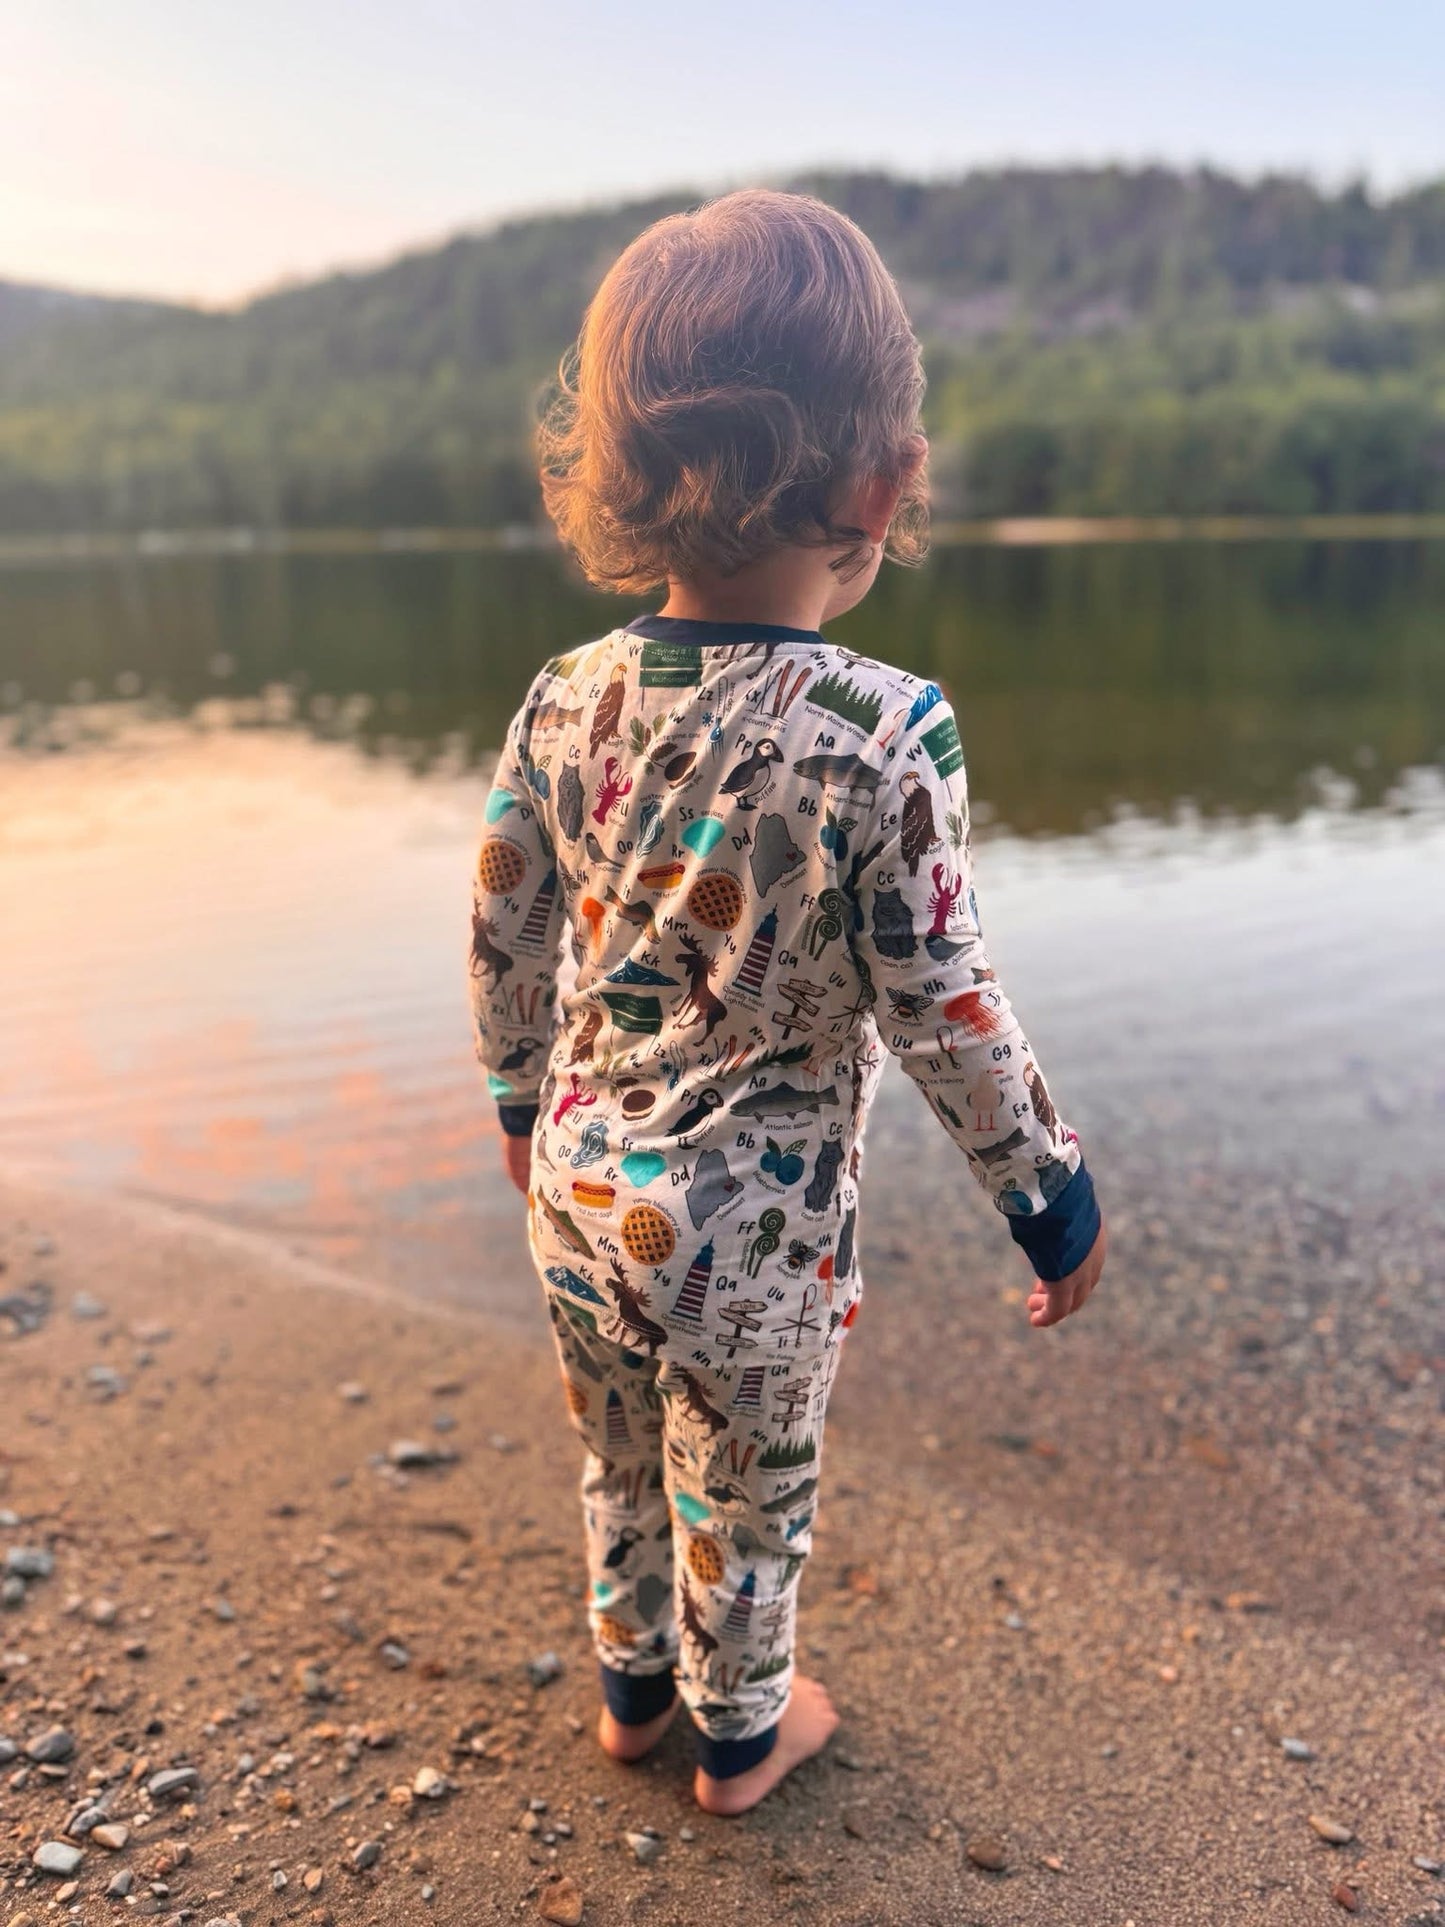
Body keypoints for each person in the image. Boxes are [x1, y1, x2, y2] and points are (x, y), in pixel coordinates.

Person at [467, 187, 1106, 1817]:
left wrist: (523, 1113)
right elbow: (941, 1004)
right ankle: (743, 1739)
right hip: (752, 1238)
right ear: (882, 482)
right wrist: (1050, 1198)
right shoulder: (882, 728)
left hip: (579, 1192)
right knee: (749, 1494)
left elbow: (501, 931)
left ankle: (629, 1694)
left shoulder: (563, 699)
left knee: (613, 1451)